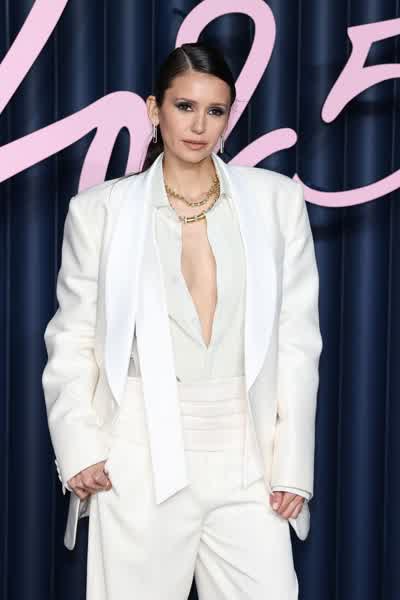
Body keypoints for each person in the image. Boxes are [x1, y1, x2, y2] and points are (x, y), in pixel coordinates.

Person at [42, 42, 323, 600]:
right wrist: (80, 446)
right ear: (155, 109)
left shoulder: (275, 202)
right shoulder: (99, 211)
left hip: (248, 458)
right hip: (138, 456)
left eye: (214, 110)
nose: (199, 126)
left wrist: (292, 464)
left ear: (228, 117)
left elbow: (297, 339)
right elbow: (71, 337)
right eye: (184, 106)